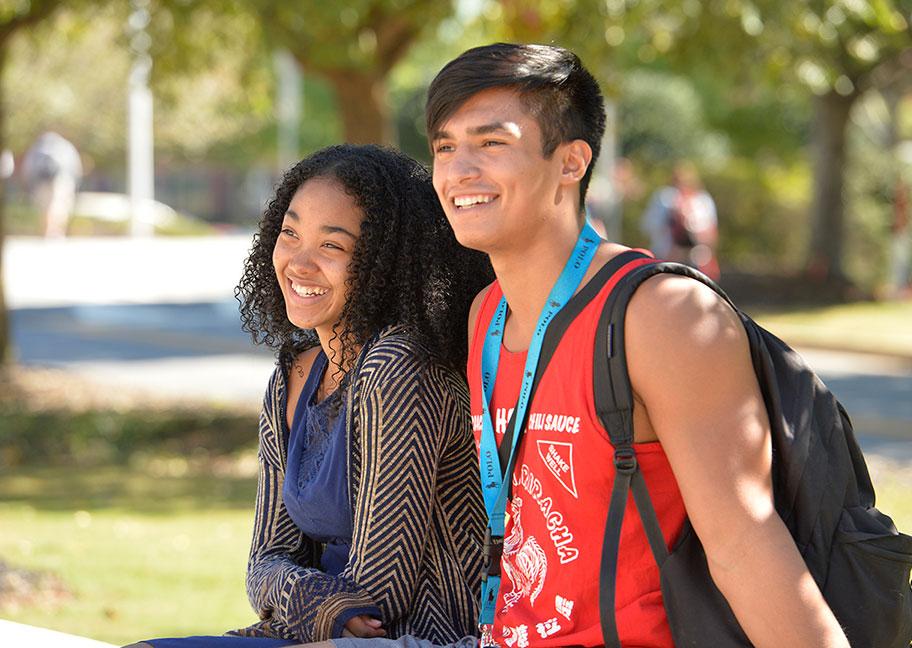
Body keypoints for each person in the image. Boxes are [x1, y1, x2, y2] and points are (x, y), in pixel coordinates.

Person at [293, 43, 851, 648]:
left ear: (571, 162)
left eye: (492, 143)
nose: (458, 171)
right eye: (445, 147)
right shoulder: (487, 316)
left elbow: (746, 544)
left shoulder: (659, 314)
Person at [128, 145, 492, 647]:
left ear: (383, 262)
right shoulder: (295, 374)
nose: (299, 263)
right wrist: (311, 597)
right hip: (314, 635)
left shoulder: (399, 367)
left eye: (332, 247)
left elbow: (378, 597)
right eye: (290, 234)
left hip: (419, 637)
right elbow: (263, 563)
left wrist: (294, 593)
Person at [640, 161, 719, 279]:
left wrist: (691, 226)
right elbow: (649, 225)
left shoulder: (702, 200)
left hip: (697, 259)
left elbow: (711, 232)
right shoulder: (663, 198)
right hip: (667, 257)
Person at [21, 131, 83, 238]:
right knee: (59, 207)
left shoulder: (37, 148)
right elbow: (76, 167)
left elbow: (28, 168)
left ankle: (48, 232)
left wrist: (30, 183)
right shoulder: (66, 147)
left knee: (45, 207)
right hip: (62, 181)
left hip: (41, 182)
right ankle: (56, 232)